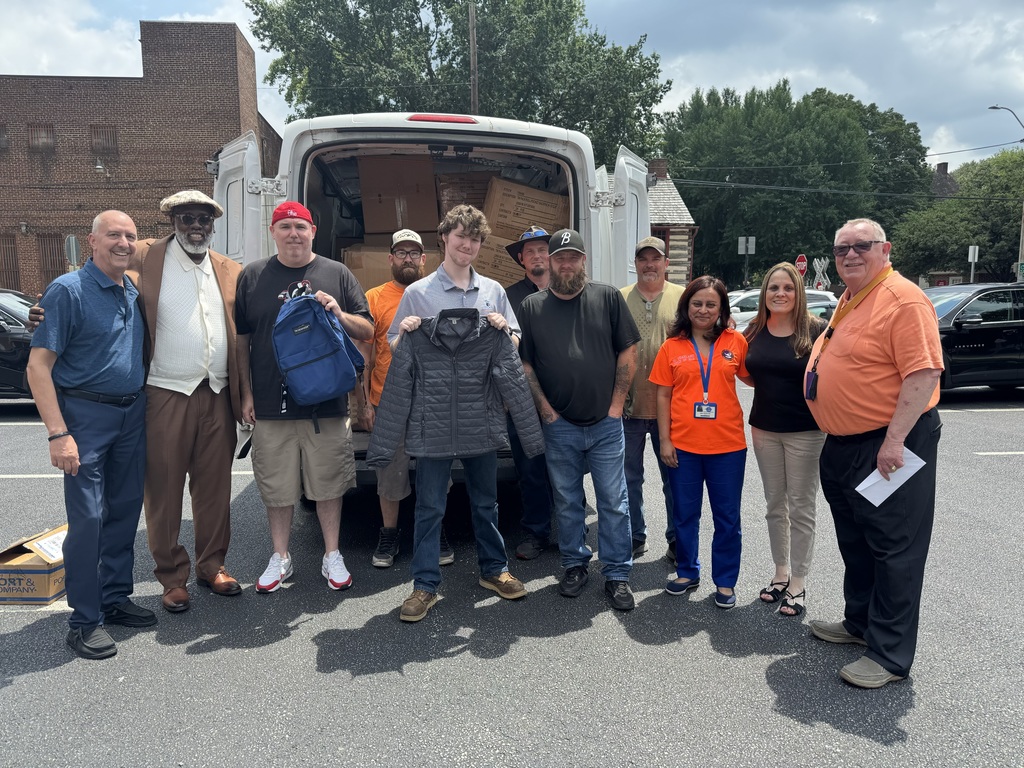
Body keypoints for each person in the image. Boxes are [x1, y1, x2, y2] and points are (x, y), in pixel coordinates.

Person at [805, 218, 942, 689]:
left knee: (894, 548)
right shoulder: (852, 297)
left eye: (861, 246)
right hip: (846, 445)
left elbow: (923, 374)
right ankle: (860, 624)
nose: (850, 255)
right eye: (842, 248)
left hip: (888, 446)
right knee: (857, 542)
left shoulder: (903, 300)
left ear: (885, 249)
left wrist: (894, 442)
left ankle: (889, 655)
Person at [382, 204, 527, 622]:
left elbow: (512, 349)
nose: (468, 245)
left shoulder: (494, 292)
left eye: (475, 239)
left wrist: (506, 330)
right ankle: (425, 585)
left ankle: (494, 570)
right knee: (430, 505)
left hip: (481, 413)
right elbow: (395, 349)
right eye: (461, 236)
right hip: (433, 417)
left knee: (486, 501)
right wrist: (405, 332)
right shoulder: (418, 292)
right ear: (444, 238)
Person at [26, 210, 155, 659]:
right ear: (92, 241)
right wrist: (58, 433)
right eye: (114, 235)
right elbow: (37, 366)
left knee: (123, 511)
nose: (124, 242)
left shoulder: (131, 287)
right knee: (88, 520)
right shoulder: (67, 290)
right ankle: (84, 621)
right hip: (84, 417)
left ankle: (114, 598)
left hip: (131, 414)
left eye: (131, 236)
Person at [234, 201, 374, 594]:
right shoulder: (253, 276)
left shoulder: (337, 273)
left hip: (325, 403)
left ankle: (332, 554)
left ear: (313, 230)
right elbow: (242, 341)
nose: (293, 233)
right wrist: (245, 394)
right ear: (273, 232)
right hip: (269, 406)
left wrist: (337, 312)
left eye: (300, 226)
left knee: (328, 483)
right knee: (276, 488)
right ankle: (280, 558)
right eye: (285, 226)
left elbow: (366, 330)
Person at [133, 191, 244, 612]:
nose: (195, 226)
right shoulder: (146, 257)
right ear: (172, 221)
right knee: (162, 488)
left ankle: (211, 565)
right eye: (186, 218)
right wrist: (48, 308)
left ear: (213, 224)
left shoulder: (228, 268)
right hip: (164, 390)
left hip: (216, 391)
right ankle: (171, 576)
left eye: (203, 219)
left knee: (214, 487)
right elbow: (98, 278)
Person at [518, 228, 640, 612]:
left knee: (613, 501)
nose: (566, 263)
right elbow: (525, 363)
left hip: (605, 424)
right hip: (560, 425)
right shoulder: (532, 307)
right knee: (568, 501)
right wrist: (545, 410)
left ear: (584, 261)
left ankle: (617, 574)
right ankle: (574, 565)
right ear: (549, 263)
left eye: (573, 257)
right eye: (559, 257)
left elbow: (628, 350)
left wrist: (617, 405)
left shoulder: (607, 298)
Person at [650, 275, 748, 609]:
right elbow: (663, 396)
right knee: (685, 514)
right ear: (686, 306)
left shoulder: (736, 342)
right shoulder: (672, 346)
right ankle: (687, 570)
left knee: (727, 518)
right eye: (697, 303)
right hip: (684, 447)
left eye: (711, 304)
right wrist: (665, 440)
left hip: (728, 447)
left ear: (721, 308)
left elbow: (756, 377)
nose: (703, 310)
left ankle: (725, 581)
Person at [741, 262, 826, 617]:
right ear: (765, 293)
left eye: (787, 288)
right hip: (764, 428)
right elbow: (746, 372)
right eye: (774, 287)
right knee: (775, 505)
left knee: (801, 507)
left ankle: (799, 584)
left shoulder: (817, 330)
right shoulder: (754, 330)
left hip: (806, 432)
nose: (780, 293)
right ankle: (780, 575)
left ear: (798, 292)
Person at [620, 236, 683, 561]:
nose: (649, 264)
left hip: (670, 412)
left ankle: (676, 539)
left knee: (674, 480)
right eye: (643, 259)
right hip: (628, 409)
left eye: (655, 259)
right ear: (636, 263)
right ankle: (634, 536)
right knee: (629, 480)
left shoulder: (683, 298)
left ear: (665, 263)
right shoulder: (620, 298)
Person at [503, 226, 555, 560]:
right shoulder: (506, 297)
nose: (537, 256)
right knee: (531, 470)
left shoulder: (570, 291)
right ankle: (536, 532)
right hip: (522, 401)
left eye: (542, 249)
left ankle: (571, 532)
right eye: (530, 251)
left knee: (568, 468)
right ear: (521, 259)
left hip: (565, 398)